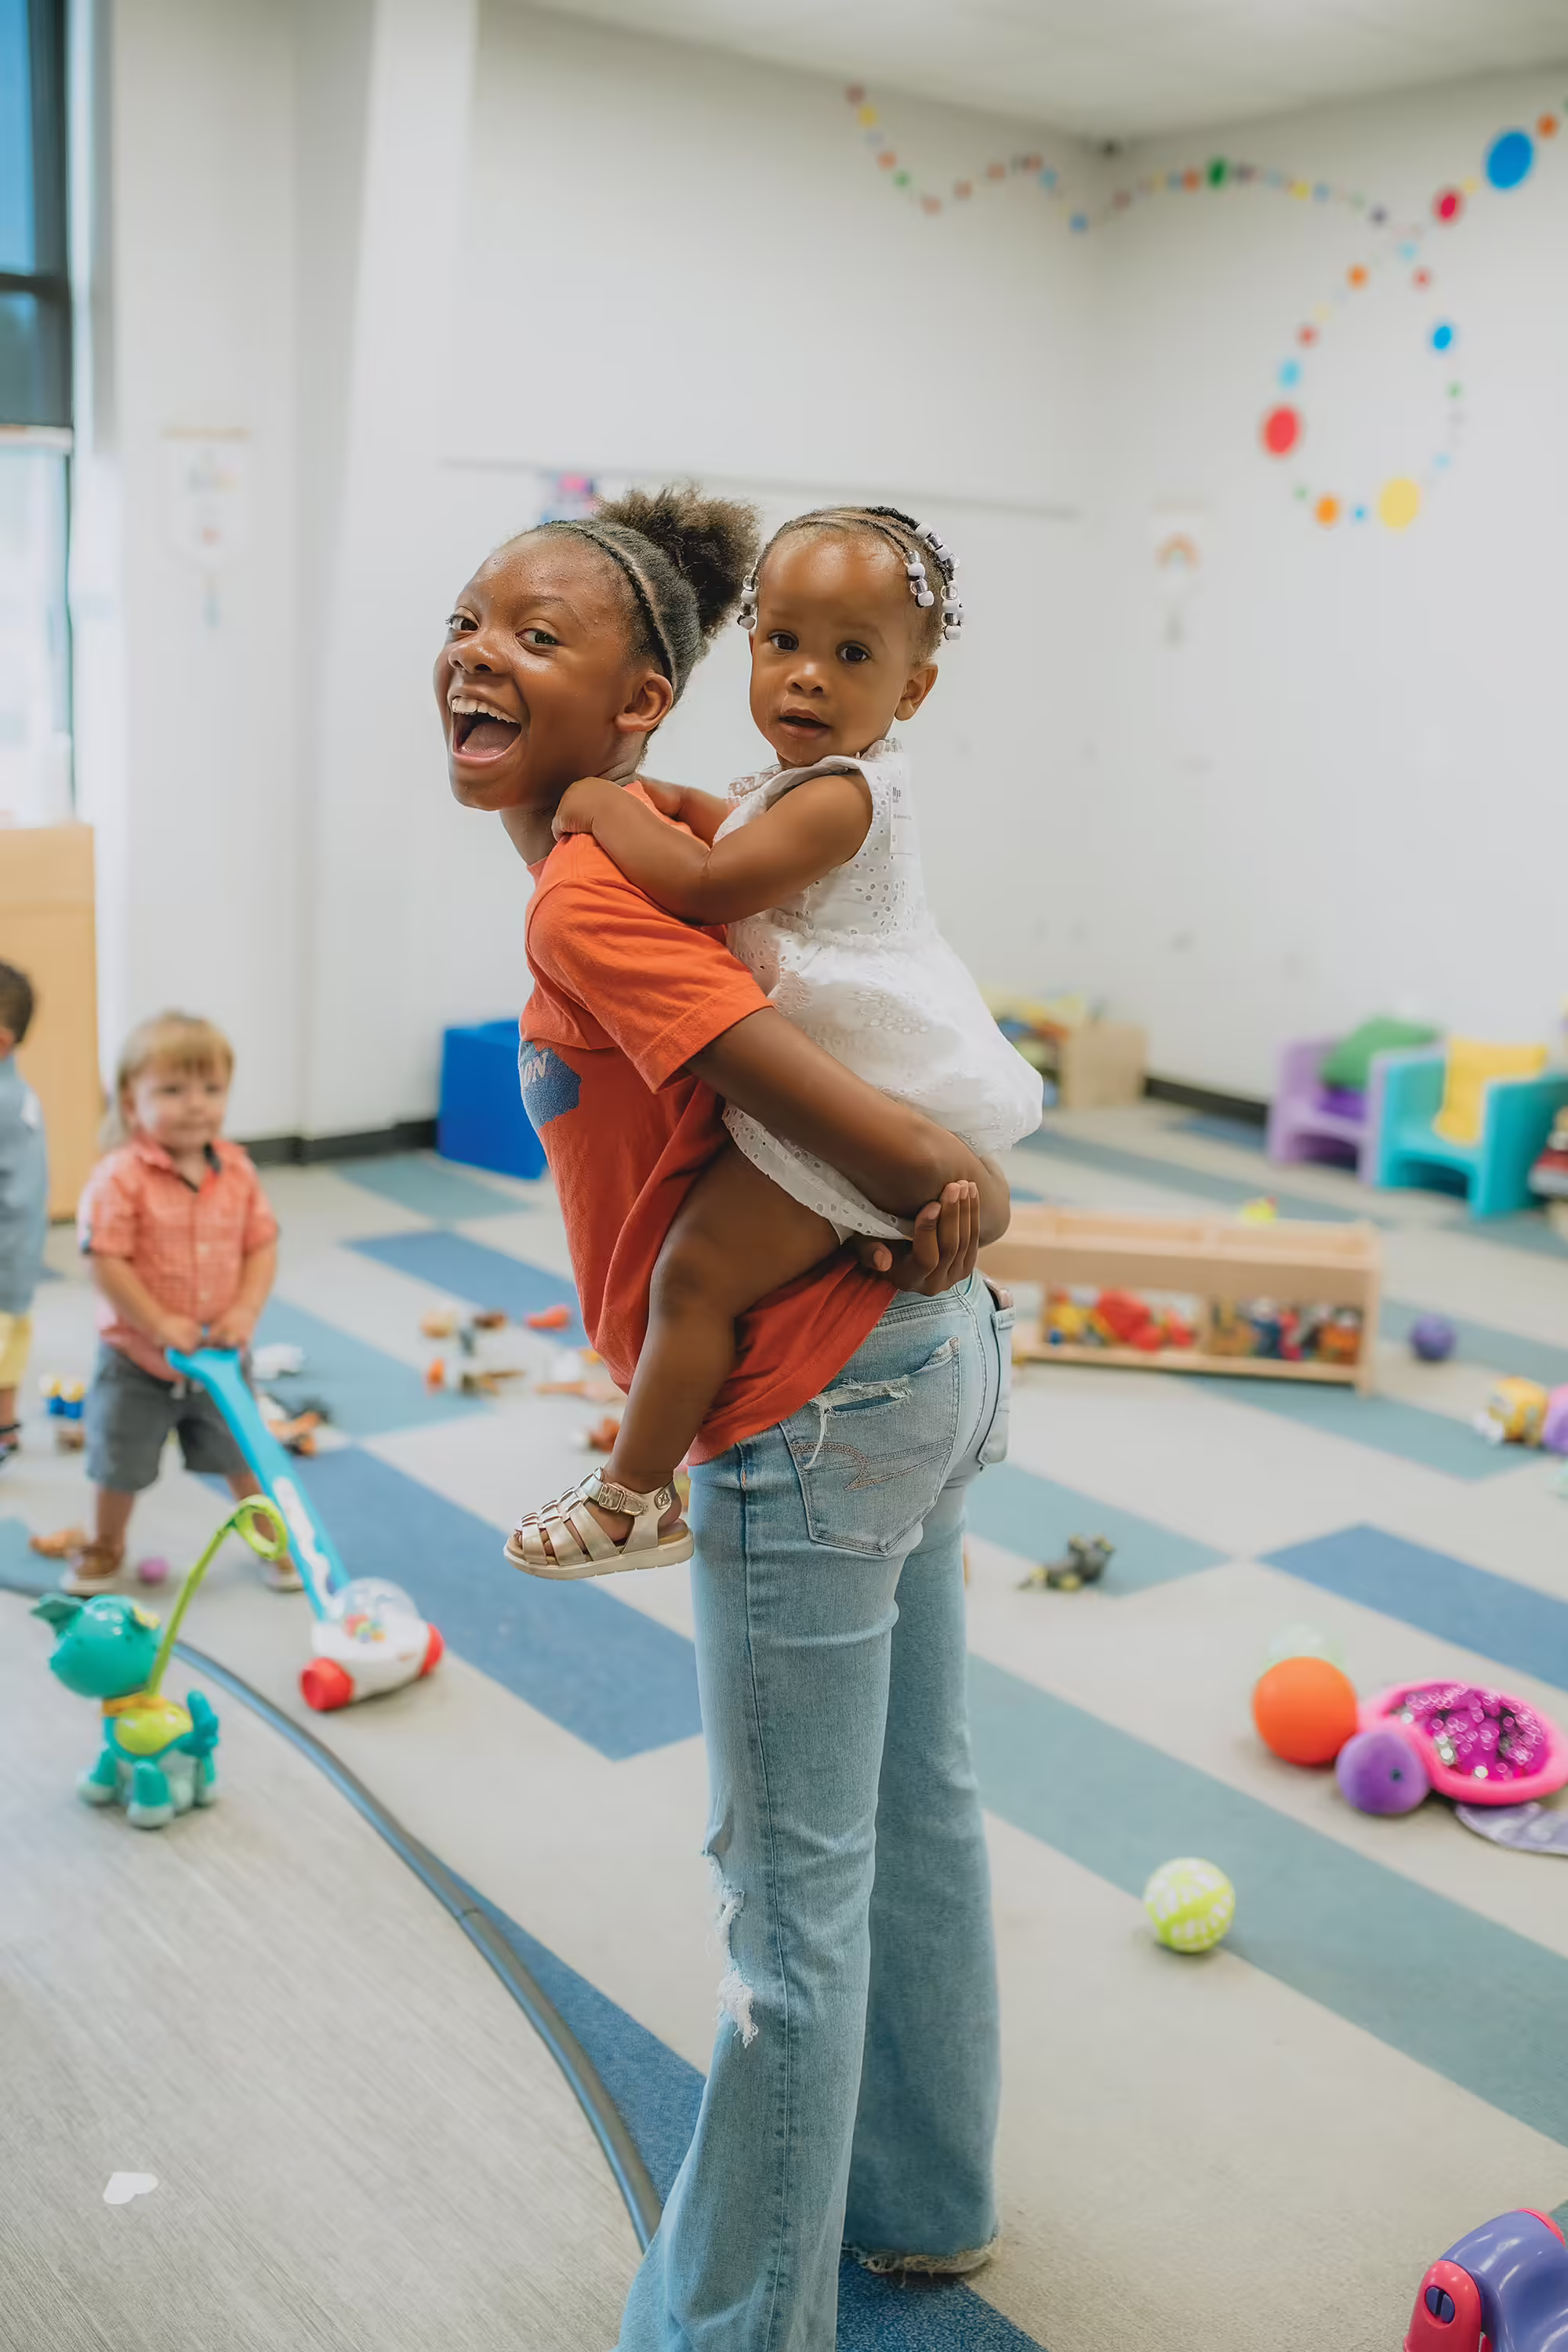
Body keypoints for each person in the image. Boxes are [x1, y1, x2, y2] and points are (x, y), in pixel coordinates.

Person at [440, 486, 1014, 2347]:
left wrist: (953, 1175)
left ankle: (733, 2325)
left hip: (808, 1407)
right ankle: (918, 2201)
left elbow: (867, 1121)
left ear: (637, 697)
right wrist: (945, 1205)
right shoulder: (675, 835)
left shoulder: (599, 887)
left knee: (784, 1912)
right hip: (910, 1368)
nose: (475, 652)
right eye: (467, 621)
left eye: (537, 635)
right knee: (910, 1815)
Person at [507, 503, 1040, 1577]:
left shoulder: (843, 797)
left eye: (851, 655)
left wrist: (608, 808)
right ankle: (639, 1483)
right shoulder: (798, 792)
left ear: (912, 689)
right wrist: (651, 800)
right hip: (911, 1281)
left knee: (696, 1274)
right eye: (783, 642)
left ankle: (634, 1494)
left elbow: (710, 880)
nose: (807, 676)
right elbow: (728, 833)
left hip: (870, 1095)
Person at [50, 1012, 300, 1597]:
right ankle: (108, 1544)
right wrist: (158, 1323)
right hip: (136, 1360)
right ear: (132, 1104)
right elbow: (104, 1261)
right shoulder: (119, 1178)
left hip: (218, 1355)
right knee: (118, 1464)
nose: (196, 1105)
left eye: (211, 1090)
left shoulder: (237, 1170)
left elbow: (260, 1246)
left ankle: (270, 1537)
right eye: (173, 1090)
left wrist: (244, 1313)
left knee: (244, 1456)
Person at [0, 961, 48, 1465]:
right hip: (20, 1262)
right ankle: (6, 1429)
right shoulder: (20, 1094)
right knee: (9, 1351)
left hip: (2, 1254)